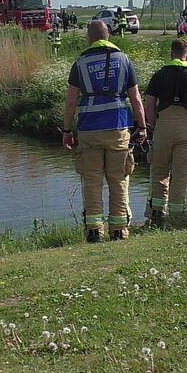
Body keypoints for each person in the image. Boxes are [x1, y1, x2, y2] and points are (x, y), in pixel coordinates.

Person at [62, 20, 147, 242]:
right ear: (108, 36)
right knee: (118, 179)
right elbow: (136, 98)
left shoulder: (80, 63)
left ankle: (94, 231)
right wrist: (142, 126)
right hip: (118, 127)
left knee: (92, 181)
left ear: (89, 38)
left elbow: (71, 101)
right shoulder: (124, 59)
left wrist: (67, 130)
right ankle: (119, 231)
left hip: (89, 129)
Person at [144, 39, 187, 226]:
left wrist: (153, 127)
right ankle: (178, 218)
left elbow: (149, 104)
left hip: (162, 128)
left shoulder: (159, 75)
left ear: (171, 54)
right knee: (181, 175)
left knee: (158, 172)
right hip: (186, 131)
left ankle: (156, 214)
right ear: (186, 55)